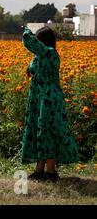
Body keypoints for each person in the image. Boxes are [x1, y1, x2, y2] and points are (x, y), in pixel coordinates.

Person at [21, 26, 79, 182]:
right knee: (38, 131)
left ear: (43, 41)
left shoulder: (51, 53)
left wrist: (27, 31)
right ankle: (39, 171)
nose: (37, 42)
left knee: (48, 132)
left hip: (49, 99)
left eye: (39, 39)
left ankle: (51, 172)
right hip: (37, 99)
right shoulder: (38, 57)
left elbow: (30, 42)